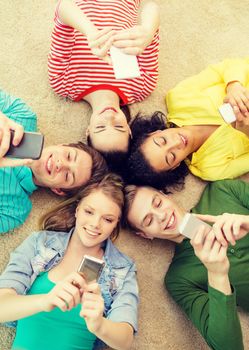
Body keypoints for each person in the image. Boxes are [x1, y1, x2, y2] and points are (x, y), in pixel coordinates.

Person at [0, 173, 138, 350]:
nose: (95, 224)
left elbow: (125, 340)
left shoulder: (123, 269)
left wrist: (99, 324)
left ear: (115, 224)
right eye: (89, 211)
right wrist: (45, 300)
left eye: (108, 219)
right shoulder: (39, 243)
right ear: (77, 209)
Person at [123, 179, 249, 350]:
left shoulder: (222, 190)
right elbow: (229, 347)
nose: (161, 216)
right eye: (148, 221)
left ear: (163, 194)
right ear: (145, 235)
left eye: (158, 203)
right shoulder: (179, 279)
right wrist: (217, 274)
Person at [48, 0, 159, 170]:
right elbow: (151, 7)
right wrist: (147, 32)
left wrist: (90, 31)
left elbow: (63, 8)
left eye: (100, 127)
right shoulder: (142, 87)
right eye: (119, 127)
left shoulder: (63, 82)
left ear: (88, 130)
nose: (109, 117)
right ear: (129, 130)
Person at [127, 57, 249, 189]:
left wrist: (234, 86)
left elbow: (229, 64)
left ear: (155, 132)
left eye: (162, 141)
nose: (177, 143)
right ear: (175, 166)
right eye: (171, 156)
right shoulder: (211, 168)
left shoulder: (179, 98)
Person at [0, 88, 107, 233]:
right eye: (69, 156)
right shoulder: (23, 115)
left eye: (68, 176)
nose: (61, 164)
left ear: (58, 190)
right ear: (62, 145)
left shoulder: (14, 210)